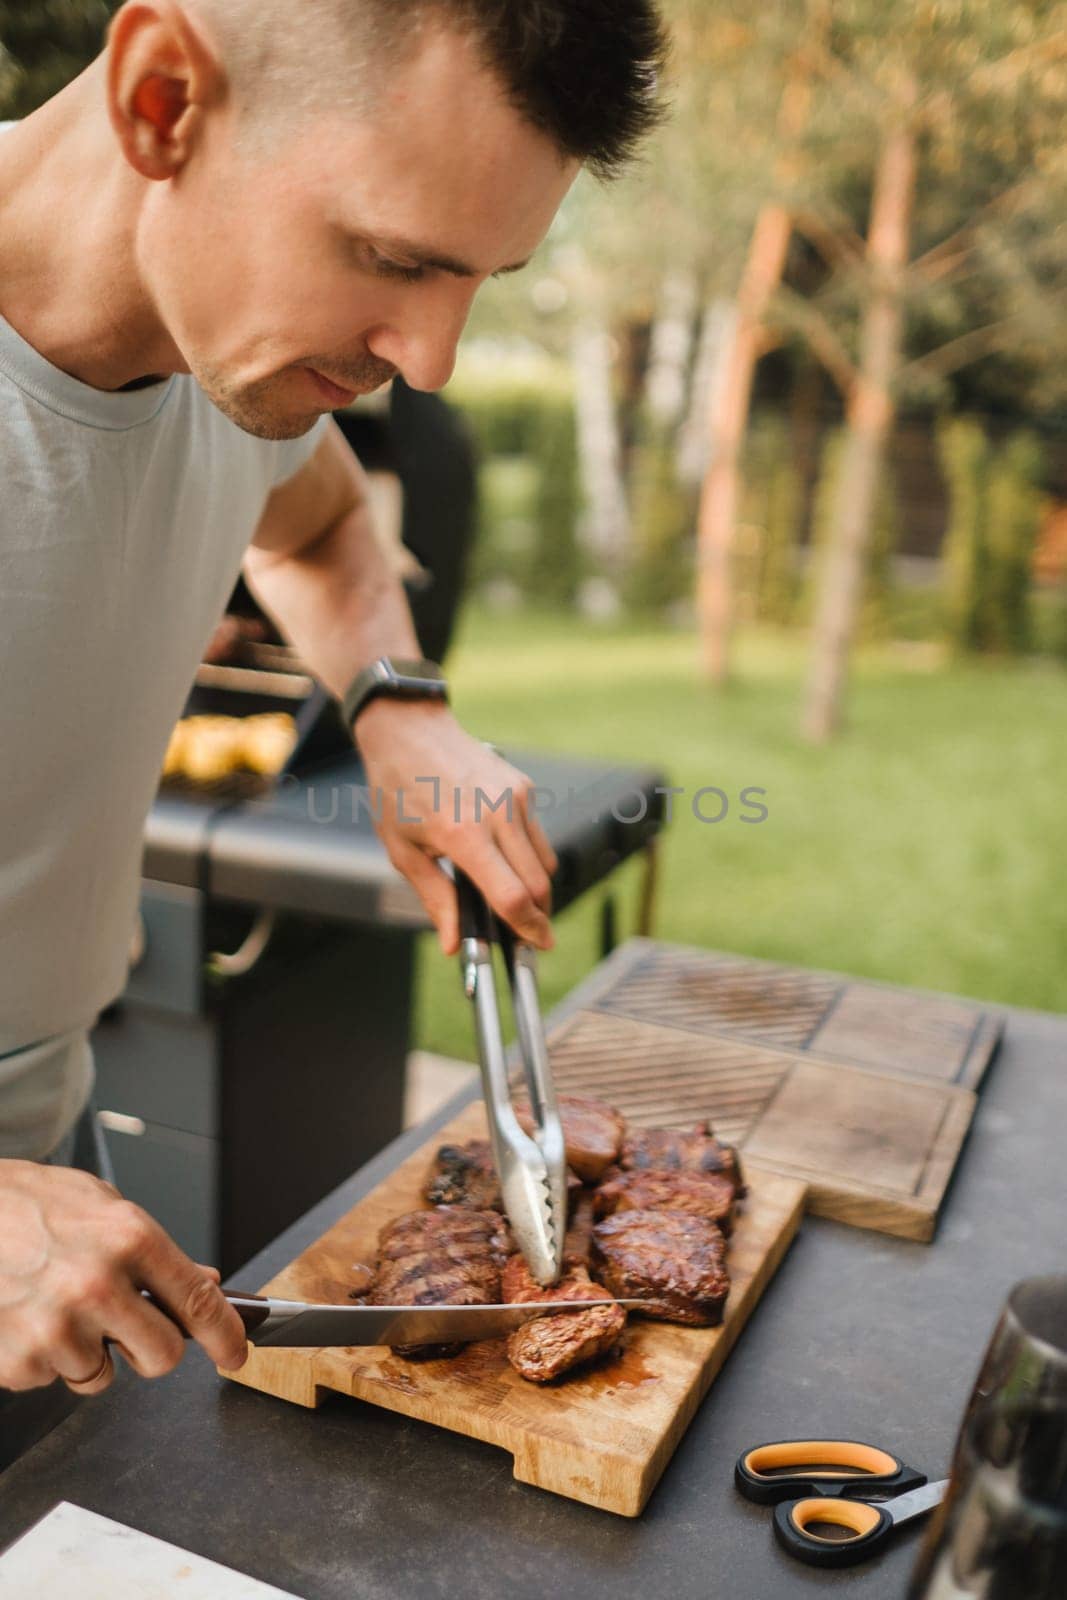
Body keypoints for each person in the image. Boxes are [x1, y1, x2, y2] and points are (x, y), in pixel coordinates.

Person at [0, 0, 666, 1413]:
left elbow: (317, 526)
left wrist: (397, 703)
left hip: (51, 1197)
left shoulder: (225, 368)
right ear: (164, 97)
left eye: (480, 280)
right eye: (392, 259)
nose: (427, 358)